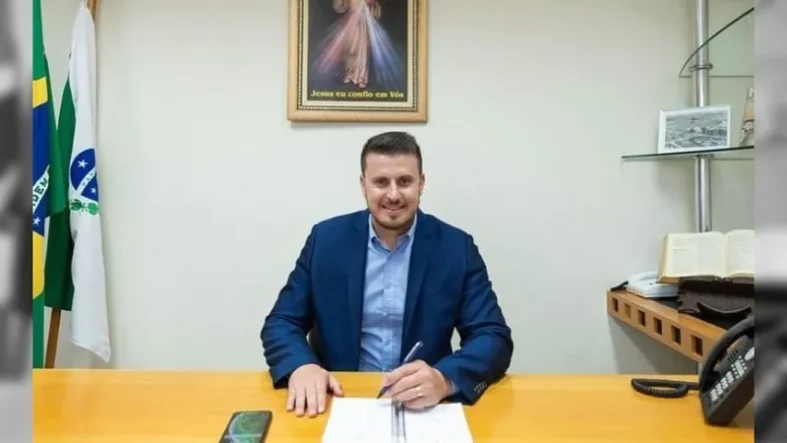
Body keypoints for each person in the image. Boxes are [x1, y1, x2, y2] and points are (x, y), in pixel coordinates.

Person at [260, 131, 513, 418]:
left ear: (421, 183)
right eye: (381, 182)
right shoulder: (326, 240)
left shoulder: (457, 248)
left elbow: (492, 336)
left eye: (404, 181)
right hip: (338, 399)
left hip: (423, 406)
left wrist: (444, 380)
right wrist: (301, 366)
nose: (393, 195)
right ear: (363, 185)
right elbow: (282, 321)